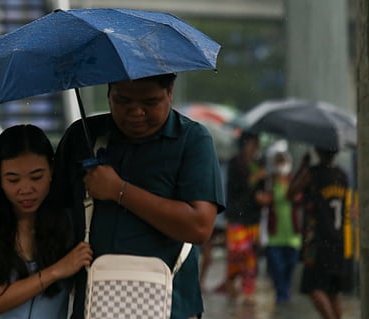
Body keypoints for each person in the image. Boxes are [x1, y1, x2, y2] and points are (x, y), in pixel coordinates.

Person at [51, 73, 226, 319]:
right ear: (108, 93)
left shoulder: (192, 140)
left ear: (170, 92)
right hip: (94, 306)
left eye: (150, 102)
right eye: (123, 101)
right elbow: (54, 217)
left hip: (170, 307)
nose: (136, 112)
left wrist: (119, 190)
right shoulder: (82, 137)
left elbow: (199, 227)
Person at [0, 124, 93, 319]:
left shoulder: (70, 223)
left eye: (36, 177)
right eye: (13, 180)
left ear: (52, 171)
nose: (26, 189)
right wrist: (56, 271)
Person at [287, 147, 349, 319]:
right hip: (338, 241)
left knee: (312, 287)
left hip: (318, 241)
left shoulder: (313, 173)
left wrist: (303, 166)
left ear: (318, 150)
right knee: (332, 292)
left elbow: (290, 193)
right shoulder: (342, 176)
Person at [221, 131, 265, 305]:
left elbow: (258, 192)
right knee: (237, 256)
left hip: (253, 218)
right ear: (245, 145)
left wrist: (262, 194)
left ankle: (247, 294)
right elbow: (237, 189)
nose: (255, 148)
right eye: (253, 144)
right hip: (237, 217)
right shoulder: (235, 163)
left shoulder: (258, 164)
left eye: (257, 145)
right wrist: (254, 178)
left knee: (251, 258)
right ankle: (231, 288)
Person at [255, 151, 302, 304]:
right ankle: (281, 294)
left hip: (292, 235)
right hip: (275, 234)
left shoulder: (293, 181)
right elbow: (262, 198)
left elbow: (299, 198)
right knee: (277, 267)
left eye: (284, 163)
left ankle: (284, 291)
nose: (282, 167)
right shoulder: (269, 182)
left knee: (290, 264)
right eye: (279, 163)